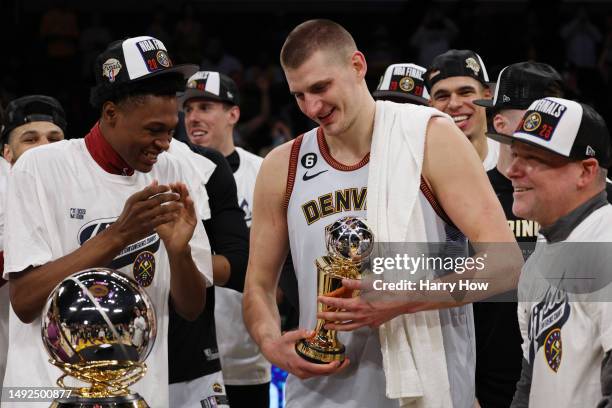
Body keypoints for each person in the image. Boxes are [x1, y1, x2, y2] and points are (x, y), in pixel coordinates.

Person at [243, 19, 520, 408]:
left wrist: (403, 299)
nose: (312, 107)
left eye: (321, 88)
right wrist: (271, 343)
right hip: (320, 392)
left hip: (426, 389)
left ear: (357, 66)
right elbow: (257, 286)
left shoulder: (430, 138)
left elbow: (506, 264)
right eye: (299, 95)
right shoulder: (281, 165)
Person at [1, 35, 213, 407]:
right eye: (152, 130)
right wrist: (117, 236)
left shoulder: (176, 170)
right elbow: (25, 300)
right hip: (45, 394)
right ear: (111, 113)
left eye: (170, 130)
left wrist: (179, 254)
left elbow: (191, 308)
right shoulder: (41, 168)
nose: (164, 143)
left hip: (139, 395)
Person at [486, 97, 612, 407]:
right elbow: (530, 379)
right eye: (515, 155)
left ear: (585, 171)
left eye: (533, 158)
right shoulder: (539, 257)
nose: (513, 170)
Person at [470, 62, 566, 407]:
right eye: (539, 114)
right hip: (486, 383)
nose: (554, 126)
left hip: (571, 378)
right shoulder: (466, 196)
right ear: (499, 123)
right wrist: (463, 387)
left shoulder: (595, 198)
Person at [182, 71, 270, 407]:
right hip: (185, 352)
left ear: (233, 114)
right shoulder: (171, 169)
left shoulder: (263, 172)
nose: (193, 118)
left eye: (204, 107)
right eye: (188, 110)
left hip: (247, 351)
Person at [0, 95, 67, 399]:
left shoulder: (91, 196)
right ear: (7, 154)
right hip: (21, 369)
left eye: (54, 138)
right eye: (30, 139)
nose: (44, 147)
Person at [425, 49, 499, 170]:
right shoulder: (416, 170)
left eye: (465, 92)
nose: (454, 104)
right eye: (442, 96)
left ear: (487, 96)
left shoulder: (512, 160)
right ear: (431, 105)